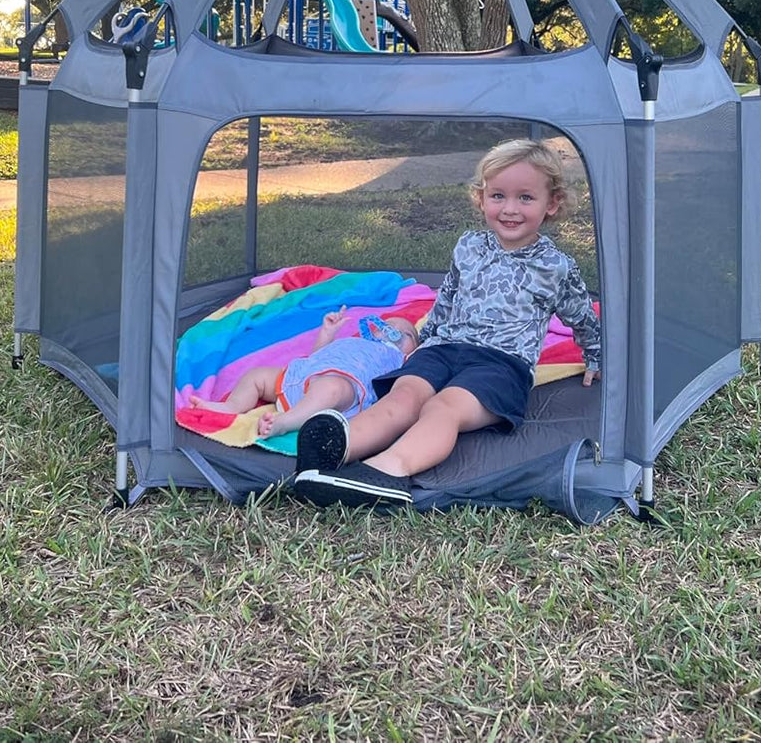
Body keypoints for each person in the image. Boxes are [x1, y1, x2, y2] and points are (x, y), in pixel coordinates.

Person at [292, 137, 601, 507]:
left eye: (525, 197)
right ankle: (338, 447)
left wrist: (595, 355)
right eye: (498, 196)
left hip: (501, 364)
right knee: (405, 396)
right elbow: (448, 298)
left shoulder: (555, 267)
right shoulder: (468, 246)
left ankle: (387, 470)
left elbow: (581, 314)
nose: (510, 209)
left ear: (552, 204)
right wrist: (424, 341)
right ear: (481, 198)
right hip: (443, 349)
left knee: (443, 408)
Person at [188, 308, 420, 438]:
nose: (395, 331)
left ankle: (286, 422)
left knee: (331, 388)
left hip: (344, 390)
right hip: (302, 376)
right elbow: (318, 356)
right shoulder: (353, 342)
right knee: (257, 375)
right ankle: (231, 407)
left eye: (406, 333)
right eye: (388, 327)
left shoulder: (400, 361)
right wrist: (327, 333)